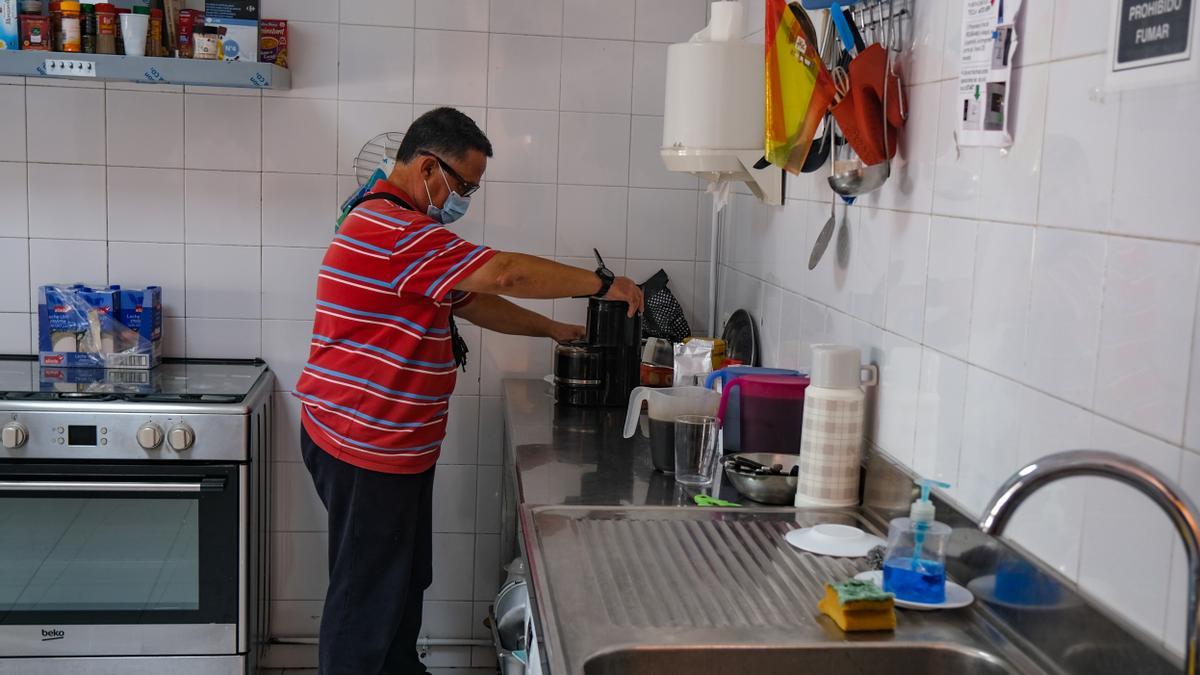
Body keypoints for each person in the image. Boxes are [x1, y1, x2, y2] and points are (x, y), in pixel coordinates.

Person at [295, 107, 644, 675]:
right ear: (429, 168)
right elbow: (503, 272)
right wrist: (604, 284)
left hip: (389, 446)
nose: (464, 200)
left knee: (400, 583)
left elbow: (475, 301)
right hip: (365, 445)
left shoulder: (405, 229)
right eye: (464, 186)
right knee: (364, 602)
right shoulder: (394, 229)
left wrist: (553, 329)